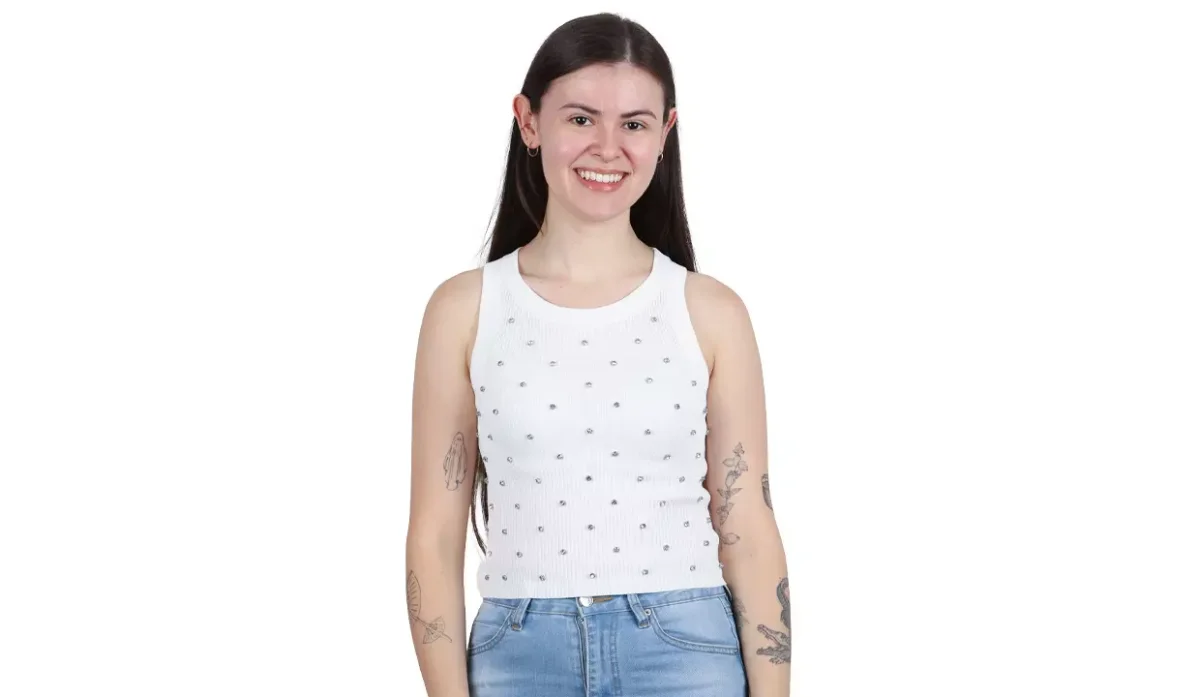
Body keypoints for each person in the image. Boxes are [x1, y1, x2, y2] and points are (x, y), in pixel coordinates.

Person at [405, 12, 790, 697]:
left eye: (634, 124)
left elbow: (748, 526)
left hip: (685, 653)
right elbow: (435, 533)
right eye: (581, 119)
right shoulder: (465, 309)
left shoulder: (710, 312)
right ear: (529, 122)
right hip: (519, 656)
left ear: (665, 134)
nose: (608, 147)